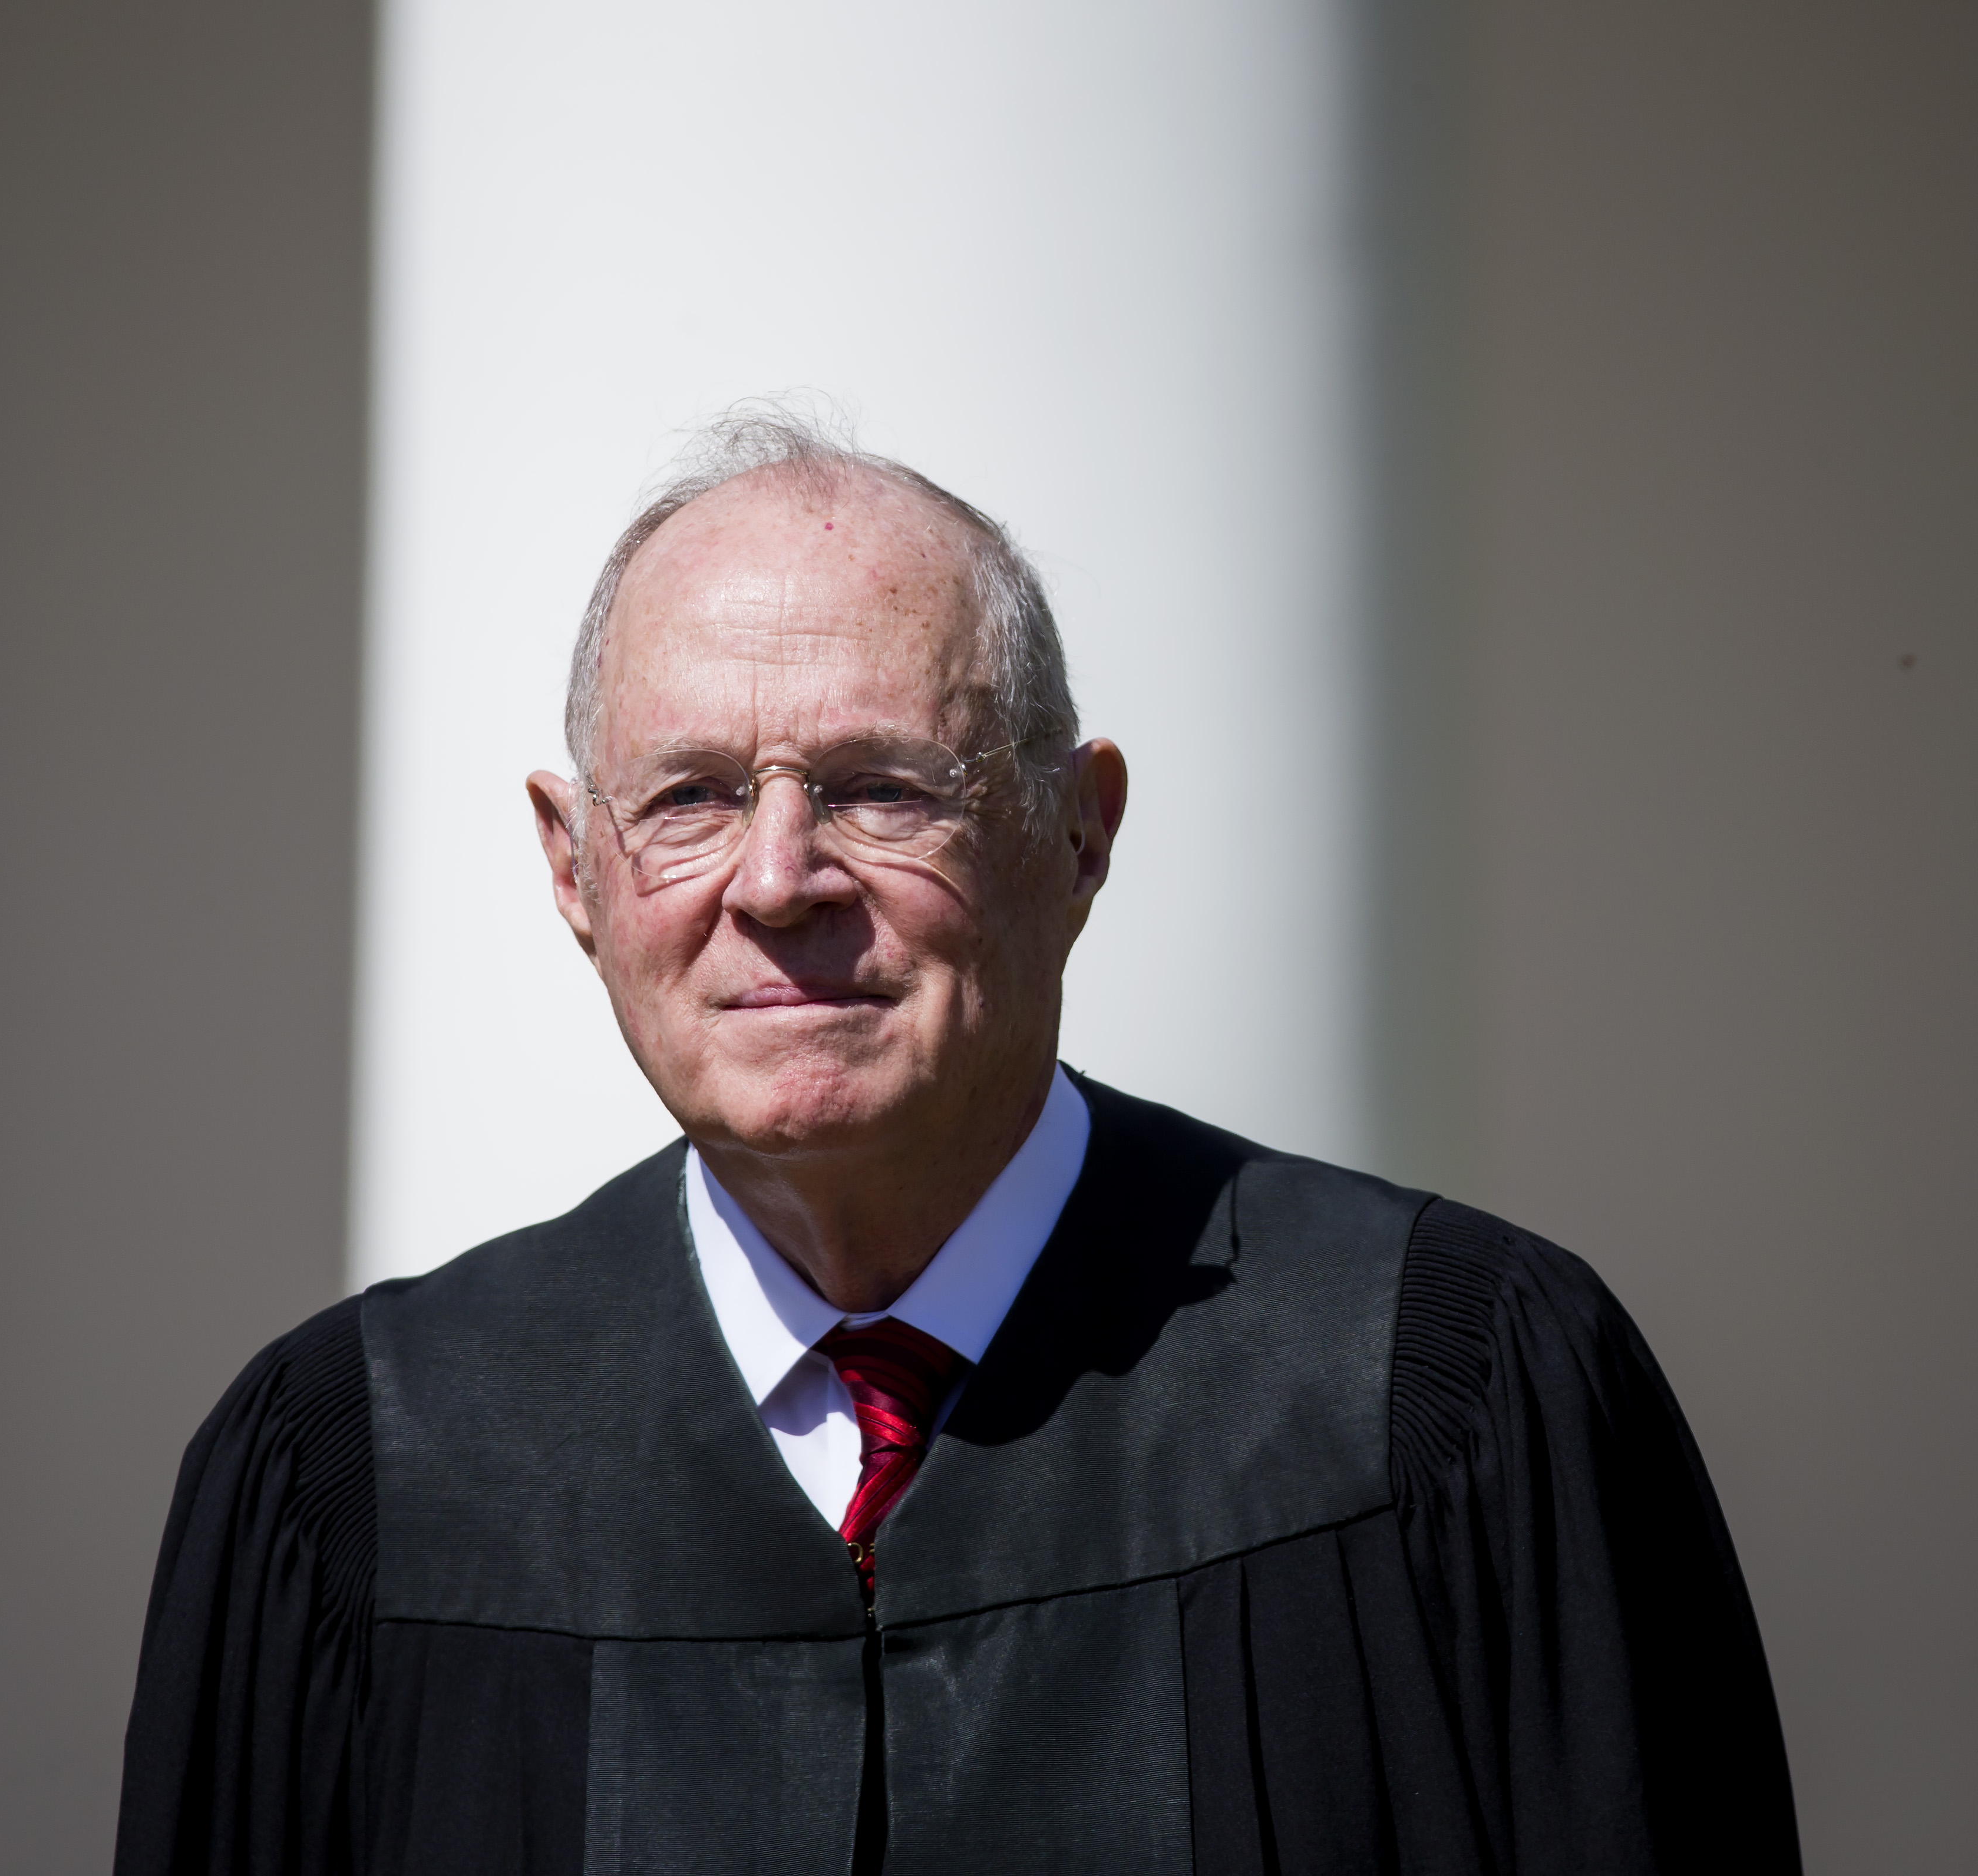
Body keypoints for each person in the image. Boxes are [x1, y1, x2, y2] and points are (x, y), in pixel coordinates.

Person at [114, 408, 1801, 1875]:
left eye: (881, 788)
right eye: (691, 795)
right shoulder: (356, 1485)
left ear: (1078, 835)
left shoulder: (1445, 1407)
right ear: (575, 869)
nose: (778, 882)